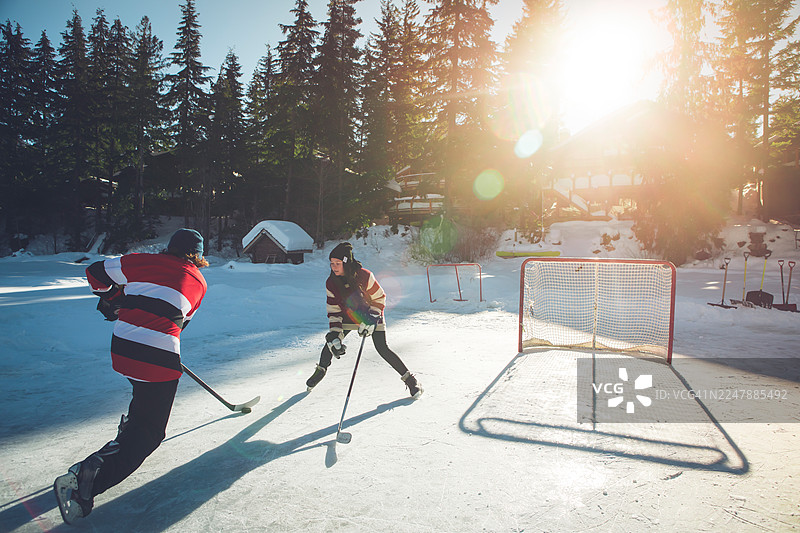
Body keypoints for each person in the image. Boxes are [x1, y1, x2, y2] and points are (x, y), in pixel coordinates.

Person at [53, 229, 209, 525]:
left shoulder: (139, 261)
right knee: (150, 434)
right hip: (157, 358)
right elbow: (180, 321)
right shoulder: (199, 281)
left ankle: (127, 431)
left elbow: (95, 272)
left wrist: (116, 299)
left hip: (122, 349)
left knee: (143, 402)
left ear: (170, 248)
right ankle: (90, 477)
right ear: (198, 256)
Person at [305, 242, 422, 398]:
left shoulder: (364, 276)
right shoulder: (331, 282)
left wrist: (371, 319)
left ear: (346, 262)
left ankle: (411, 380)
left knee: (382, 348)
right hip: (348, 315)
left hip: (371, 313)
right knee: (331, 342)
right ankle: (321, 370)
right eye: (332, 263)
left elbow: (380, 298)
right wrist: (335, 332)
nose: (334, 267)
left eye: (338, 263)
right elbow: (333, 309)